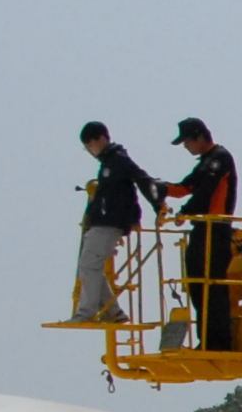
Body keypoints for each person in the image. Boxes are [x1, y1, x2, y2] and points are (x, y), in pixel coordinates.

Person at [62, 123, 167, 325]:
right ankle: (113, 311)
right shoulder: (109, 162)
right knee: (91, 266)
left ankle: (86, 312)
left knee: (88, 265)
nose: (90, 151)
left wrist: (157, 205)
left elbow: (141, 179)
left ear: (101, 139)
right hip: (104, 222)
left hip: (109, 223)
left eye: (90, 145)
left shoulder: (118, 160)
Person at [166, 117, 241, 352]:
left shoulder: (220, 159)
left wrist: (184, 212)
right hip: (202, 228)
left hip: (216, 228)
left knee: (213, 286)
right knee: (198, 284)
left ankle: (218, 342)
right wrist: (158, 187)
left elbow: (205, 193)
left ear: (199, 137)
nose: (186, 147)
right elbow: (186, 187)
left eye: (187, 142)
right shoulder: (206, 162)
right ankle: (207, 340)